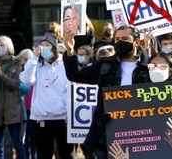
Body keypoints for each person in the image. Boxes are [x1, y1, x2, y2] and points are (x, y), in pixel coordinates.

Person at [63, 24, 150, 159]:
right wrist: (69, 52)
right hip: (107, 134)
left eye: (125, 38)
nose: (120, 42)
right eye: (117, 39)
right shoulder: (106, 64)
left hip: (142, 133)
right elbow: (75, 75)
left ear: (136, 42)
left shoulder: (149, 67)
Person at [19, 33, 74, 159]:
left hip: (64, 118)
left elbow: (75, 87)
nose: (44, 48)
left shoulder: (64, 64)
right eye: (42, 45)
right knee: (44, 155)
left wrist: (72, 113)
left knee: (68, 155)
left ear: (54, 47)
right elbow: (27, 80)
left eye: (47, 45)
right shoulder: (35, 65)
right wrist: (33, 57)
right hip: (40, 118)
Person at [0, 36, 26, 159]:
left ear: (8, 47)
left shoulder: (17, 62)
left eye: (2, 45)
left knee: (18, 145)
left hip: (13, 110)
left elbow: (16, 84)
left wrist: (0, 75)